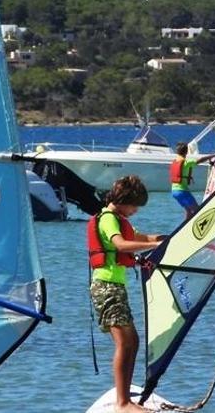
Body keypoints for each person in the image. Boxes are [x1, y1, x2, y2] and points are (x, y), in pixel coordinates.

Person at [88, 175, 164, 413]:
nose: (135, 211)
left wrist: (166, 240)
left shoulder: (119, 219)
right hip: (106, 287)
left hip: (115, 288)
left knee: (133, 342)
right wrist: (153, 247)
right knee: (124, 342)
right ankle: (123, 403)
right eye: (134, 206)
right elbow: (121, 245)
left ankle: (125, 397)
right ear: (123, 201)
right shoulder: (109, 220)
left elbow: (143, 238)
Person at [169, 142, 214, 219]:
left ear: (177, 151)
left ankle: (184, 229)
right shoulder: (186, 162)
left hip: (174, 191)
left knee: (188, 211)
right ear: (186, 151)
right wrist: (211, 156)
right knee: (198, 211)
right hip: (182, 191)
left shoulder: (175, 161)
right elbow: (200, 160)